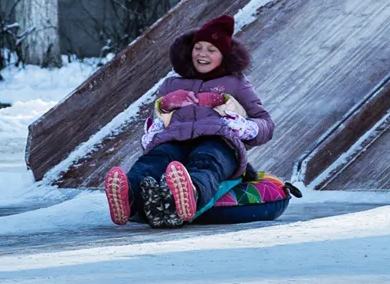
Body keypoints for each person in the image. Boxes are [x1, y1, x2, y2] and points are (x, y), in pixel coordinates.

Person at [103, 15, 274, 227]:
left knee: (207, 160)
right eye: (198, 48)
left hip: (219, 142)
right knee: (154, 160)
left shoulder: (235, 83)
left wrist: (243, 125)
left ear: (224, 56)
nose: (202, 54)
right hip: (174, 139)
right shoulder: (171, 84)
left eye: (211, 50)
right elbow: (158, 123)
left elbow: (265, 122)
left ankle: (190, 192)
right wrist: (166, 105)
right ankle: (128, 196)